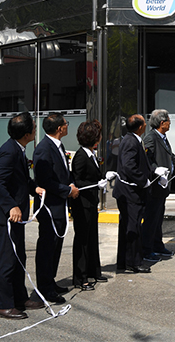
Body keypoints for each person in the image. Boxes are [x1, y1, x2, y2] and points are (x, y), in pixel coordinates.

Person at [0, 112, 45, 320]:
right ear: (27, 133)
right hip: (5, 215)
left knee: (19, 256)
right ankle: (2, 305)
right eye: (33, 128)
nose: (35, 130)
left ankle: (19, 297)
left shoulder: (18, 149)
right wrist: (11, 206)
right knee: (7, 258)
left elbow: (19, 179)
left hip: (16, 216)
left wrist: (34, 188)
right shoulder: (9, 152)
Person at [32, 113, 79, 304]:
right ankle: (44, 287)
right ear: (60, 128)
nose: (68, 126)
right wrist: (67, 190)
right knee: (47, 247)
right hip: (49, 207)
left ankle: (50, 281)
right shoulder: (44, 149)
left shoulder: (57, 146)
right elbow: (45, 181)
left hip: (59, 206)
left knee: (56, 246)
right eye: (66, 124)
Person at [142, 109, 175, 262]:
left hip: (163, 186)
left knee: (158, 219)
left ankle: (157, 245)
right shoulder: (151, 138)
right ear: (162, 123)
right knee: (151, 219)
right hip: (156, 186)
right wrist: (156, 171)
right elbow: (147, 159)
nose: (170, 123)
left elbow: (170, 157)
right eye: (168, 121)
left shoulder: (162, 137)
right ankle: (147, 250)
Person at [113, 114, 153, 273]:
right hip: (131, 193)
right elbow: (129, 166)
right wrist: (143, 180)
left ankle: (124, 261)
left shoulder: (133, 139)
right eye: (144, 123)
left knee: (129, 227)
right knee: (133, 228)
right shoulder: (130, 141)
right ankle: (133, 262)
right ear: (140, 127)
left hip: (130, 192)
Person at [71, 120, 108, 290]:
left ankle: (93, 270)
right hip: (82, 204)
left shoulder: (91, 154)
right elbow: (77, 180)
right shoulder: (80, 156)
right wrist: (95, 184)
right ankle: (81, 277)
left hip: (91, 202)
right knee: (82, 240)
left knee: (92, 237)